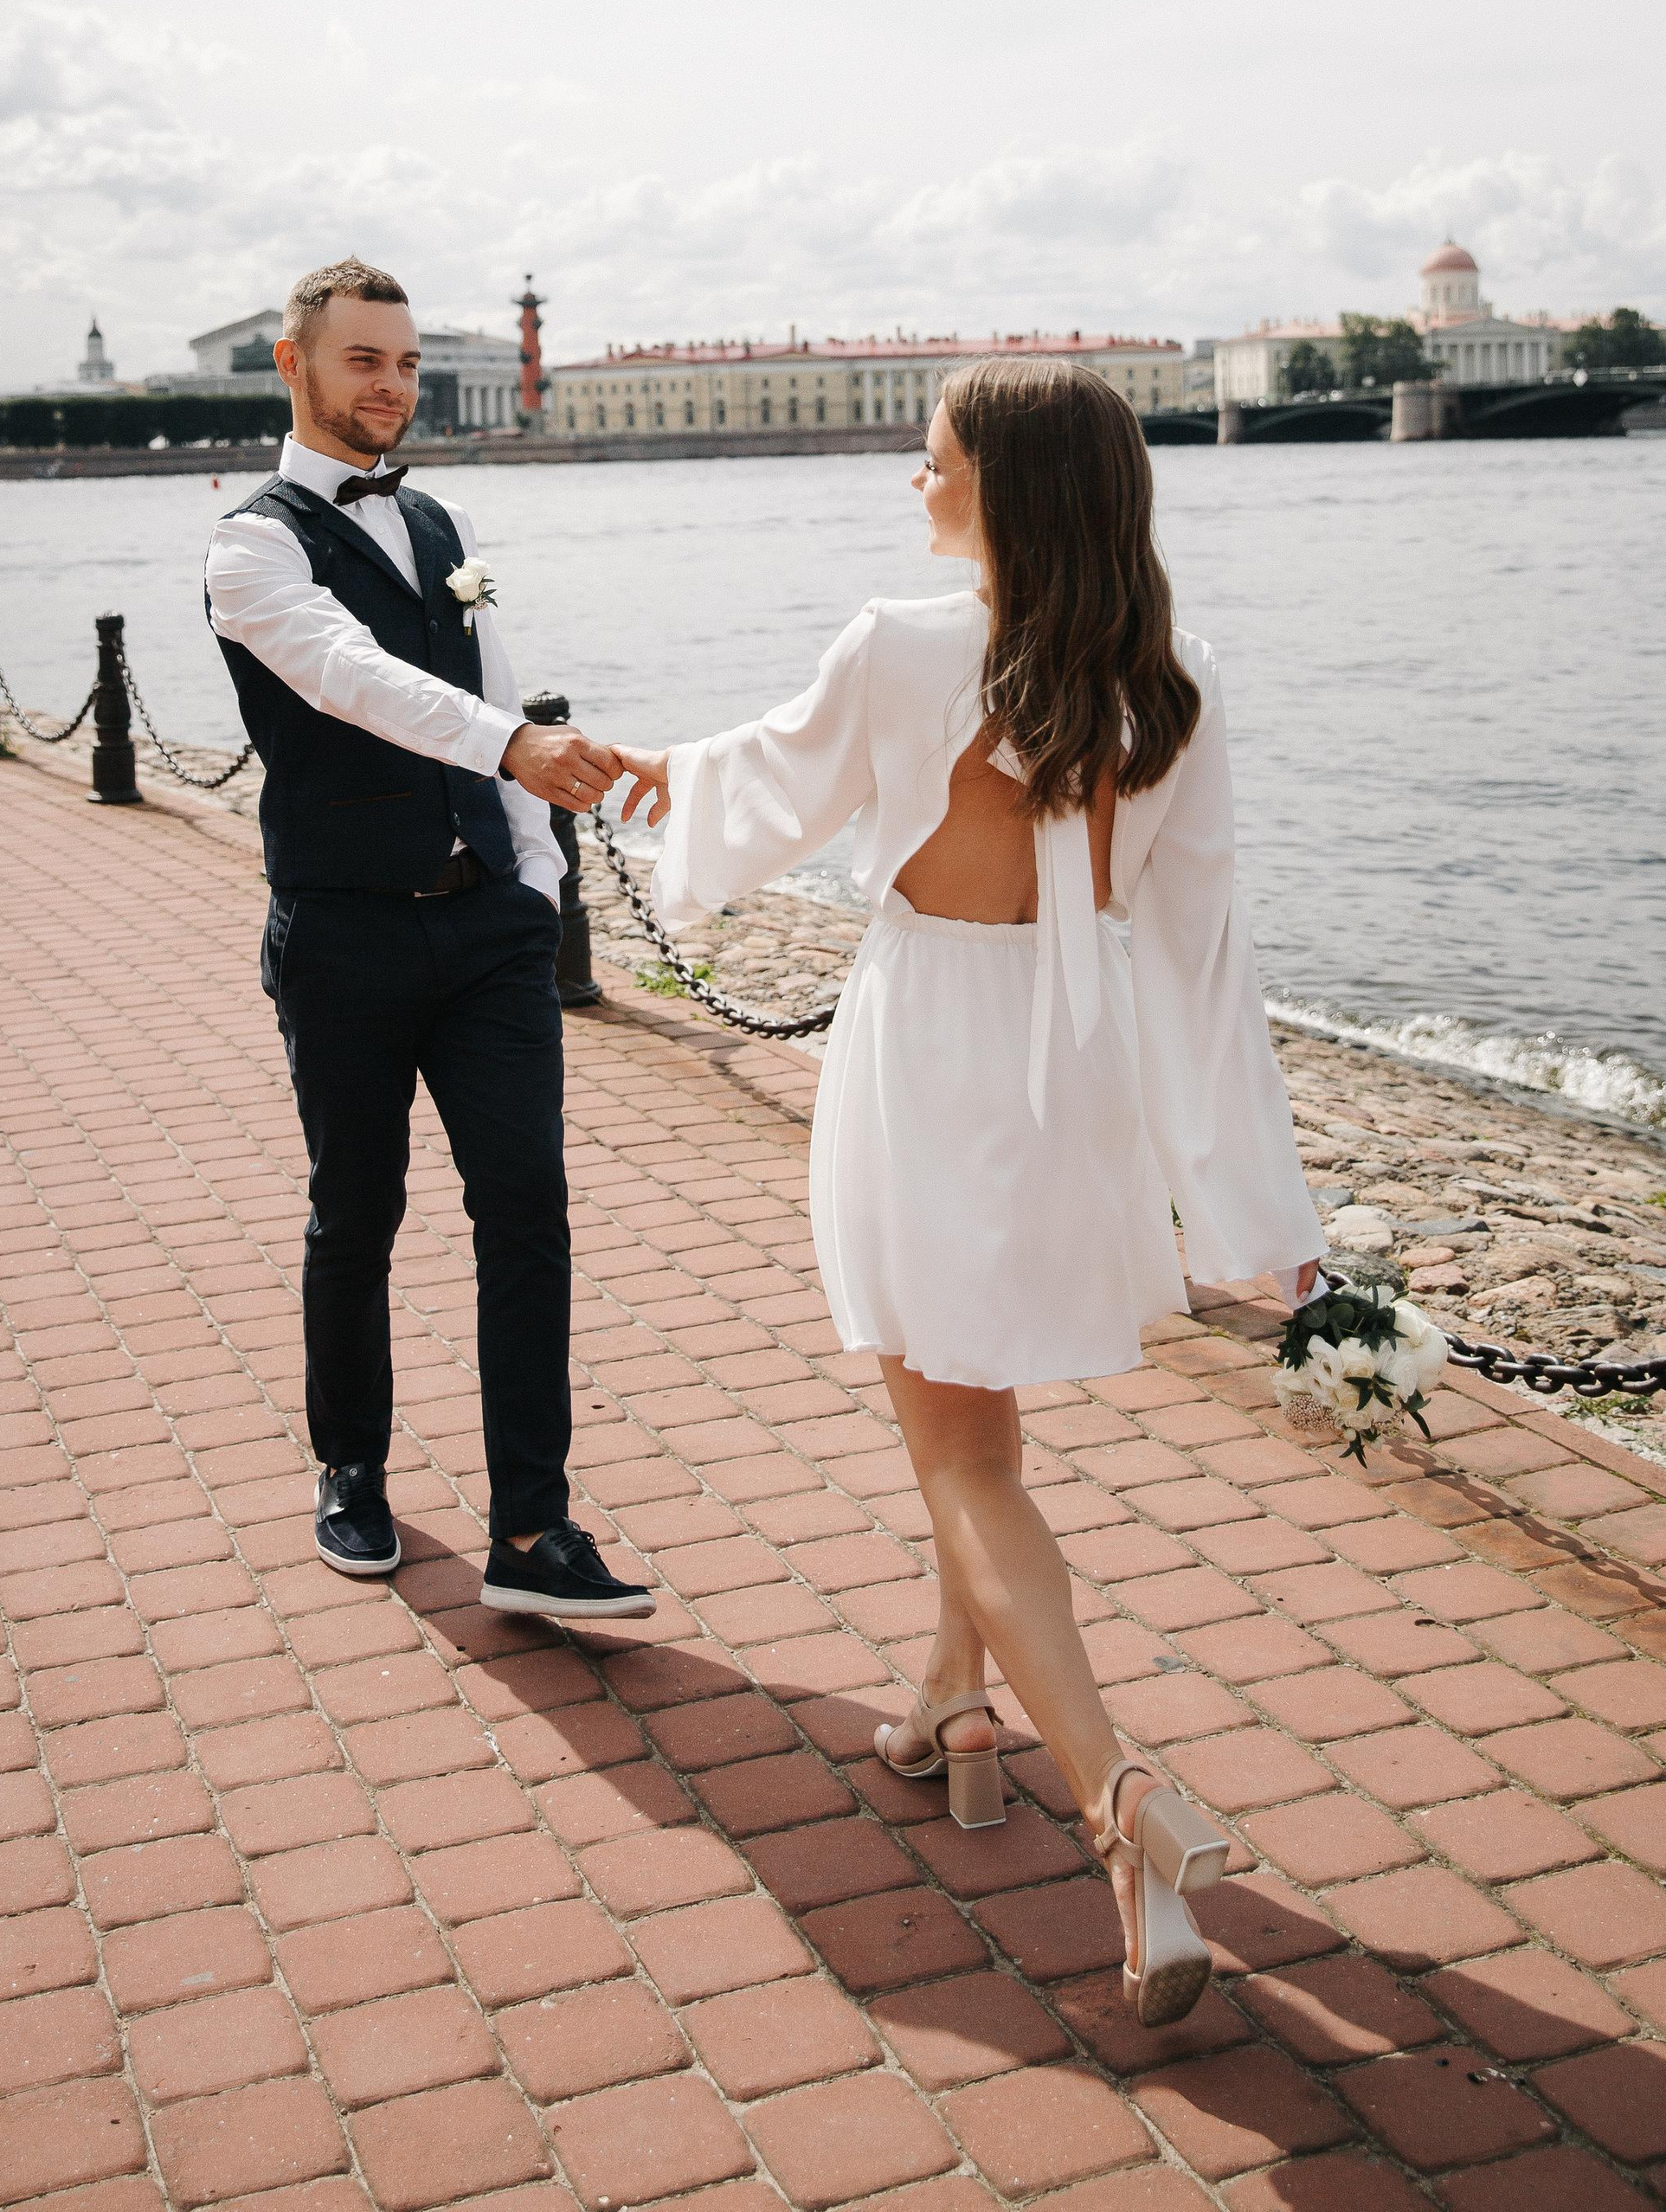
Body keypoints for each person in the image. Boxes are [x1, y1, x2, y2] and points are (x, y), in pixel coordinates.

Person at [611, 359, 1322, 2021]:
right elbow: (1208, 958)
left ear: (1004, 485)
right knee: (975, 1426)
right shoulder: (1179, 679)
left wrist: (609, 773)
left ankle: (1122, 1804)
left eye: (931, 459)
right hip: (1073, 1080)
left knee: (959, 1456)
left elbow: (757, 792)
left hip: (929, 1048)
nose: (911, 482)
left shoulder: (902, 646)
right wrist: (1262, 1221)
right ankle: (951, 1699)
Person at [206, 255, 653, 1625]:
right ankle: (351, 1467)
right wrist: (514, 745)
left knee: (528, 1213)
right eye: (362, 361)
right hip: (342, 937)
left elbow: (486, 676)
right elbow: (356, 681)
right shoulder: (252, 546)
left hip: (489, 942)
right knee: (359, 1214)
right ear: (295, 365)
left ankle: (535, 1527)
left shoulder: (443, 518)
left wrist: (531, 877)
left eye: (404, 363)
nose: (391, 387)